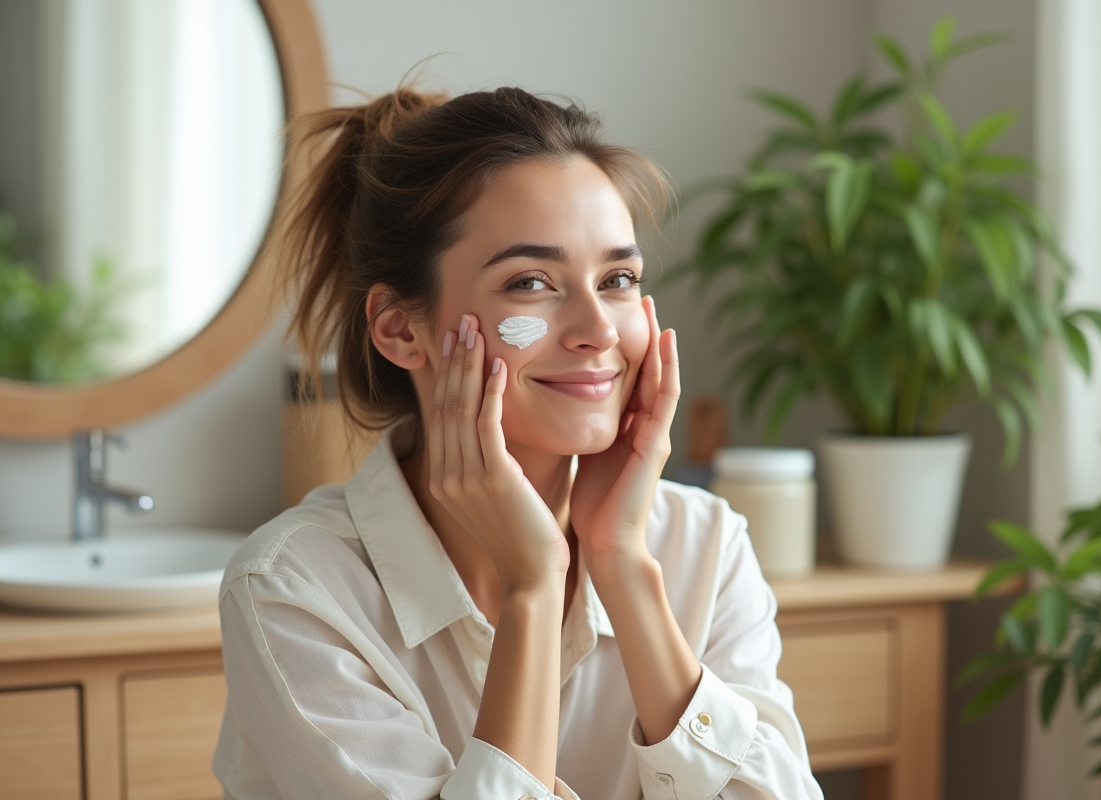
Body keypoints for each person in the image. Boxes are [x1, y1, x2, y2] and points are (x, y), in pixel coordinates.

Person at [213, 84, 823, 800]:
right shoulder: (296, 588)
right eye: (531, 282)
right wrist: (533, 586)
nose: (598, 328)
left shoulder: (704, 544)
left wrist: (619, 563)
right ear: (401, 329)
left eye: (618, 279)